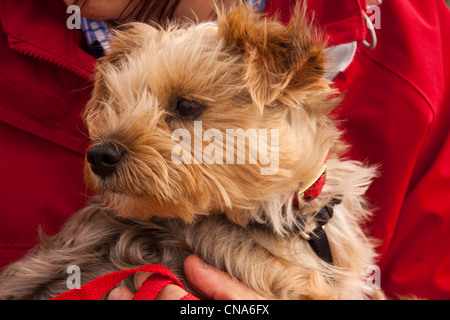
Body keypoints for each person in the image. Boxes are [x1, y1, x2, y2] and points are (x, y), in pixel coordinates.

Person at [0, 0, 449, 300]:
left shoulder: (412, 35)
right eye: (113, 105)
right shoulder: (195, 237)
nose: (103, 148)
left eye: (186, 109)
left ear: (284, 91)